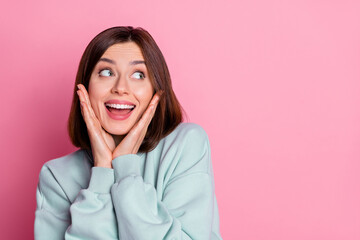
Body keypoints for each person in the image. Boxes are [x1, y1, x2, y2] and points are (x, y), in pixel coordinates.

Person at [34, 26, 222, 240]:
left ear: (156, 90)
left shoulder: (185, 145)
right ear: (85, 87)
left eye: (138, 74)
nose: (121, 87)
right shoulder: (56, 176)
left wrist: (126, 166)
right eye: (106, 72)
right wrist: (102, 171)